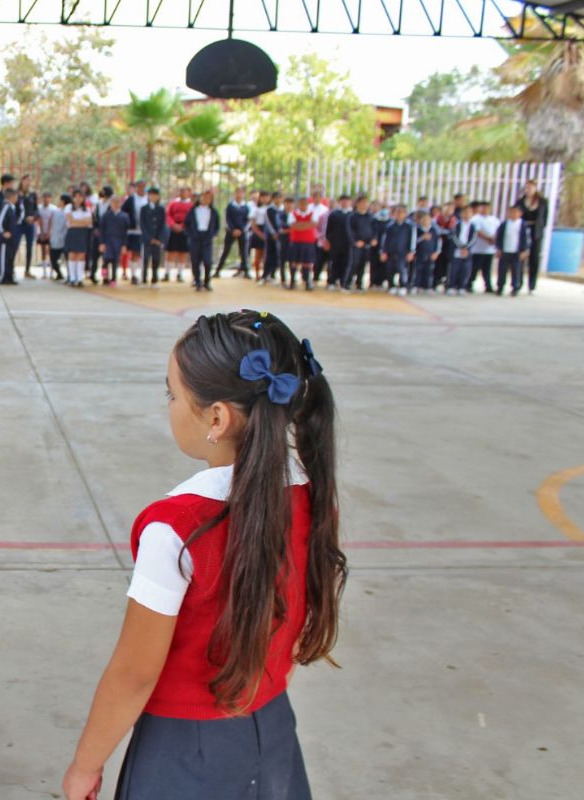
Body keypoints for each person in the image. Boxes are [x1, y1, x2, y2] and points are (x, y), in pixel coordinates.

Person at [61, 309, 346, 800]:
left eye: (172, 394)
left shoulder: (175, 528)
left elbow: (134, 674)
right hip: (273, 728)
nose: (168, 404)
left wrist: (85, 765)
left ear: (217, 417)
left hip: (184, 751)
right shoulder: (313, 495)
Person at [185, 189, 220, 292]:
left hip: (207, 238)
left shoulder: (213, 212)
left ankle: (207, 282)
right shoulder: (193, 210)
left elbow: (217, 225)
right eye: (204, 197)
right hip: (195, 237)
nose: (206, 200)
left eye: (209, 198)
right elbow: (187, 224)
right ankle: (197, 281)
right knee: (195, 261)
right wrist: (190, 234)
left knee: (207, 261)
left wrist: (213, 234)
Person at [495, 204, 531, 297]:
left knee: (516, 270)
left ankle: (515, 287)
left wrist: (525, 250)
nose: (513, 214)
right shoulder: (504, 224)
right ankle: (500, 287)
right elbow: (498, 237)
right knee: (502, 269)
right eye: (511, 212)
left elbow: (526, 239)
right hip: (505, 250)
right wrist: (498, 248)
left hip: (517, 252)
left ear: (520, 213)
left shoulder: (523, 225)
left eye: (515, 212)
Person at [520, 180, 549, 294]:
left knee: (534, 258)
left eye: (531, 187)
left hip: (536, 231)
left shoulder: (542, 202)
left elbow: (544, 218)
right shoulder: (521, 201)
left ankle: (532, 285)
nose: (529, 190)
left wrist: (539, 228)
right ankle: (518, 283)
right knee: (521, 257)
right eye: (527, 187)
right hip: (523, 230)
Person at [378, 205, 415, 295]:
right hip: (391, 251)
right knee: (390, 269)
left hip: (403, 252)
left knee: (402, 269)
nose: (399, 214)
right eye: (397, 212)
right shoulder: (390, 226)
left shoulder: (409, 226)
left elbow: (412, 239)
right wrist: (383, 251)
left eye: (402, 212)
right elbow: (384, 239)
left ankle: (403, 286)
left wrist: (411, 251)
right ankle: (392, 285)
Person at [216, 187, 250, 278]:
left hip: (242, 232)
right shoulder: (230, 206)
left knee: (244, 252)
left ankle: (246, 271)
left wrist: (241, 230)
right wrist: (232, 229)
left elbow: (248, 220)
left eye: (241, 193)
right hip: (231, 232)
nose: (239, 195)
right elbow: (227, 219)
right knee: (226, 251)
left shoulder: (246, 207)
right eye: (238, 192)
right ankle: (217, 270)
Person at [345, 195, 376, 292]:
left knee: (363, 264)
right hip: (356, 244)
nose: (365, 205)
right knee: (354, 263)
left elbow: (374, 230)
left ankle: (359, 283)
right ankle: (347, 283)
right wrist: (355, 241)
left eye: (366, 202)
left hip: (367, 244)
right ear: (357, 203)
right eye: (362, 202)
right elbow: (349, 231)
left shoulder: (370, 217)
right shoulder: (352, 216)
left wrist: (374, 239)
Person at [99, 194, 131, 287]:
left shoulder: (124, 216)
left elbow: (126, 232)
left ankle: (113, 278)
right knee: (105, 260)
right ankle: (104, 277)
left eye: (117, 202)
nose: (115, 204)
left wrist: (124, 244)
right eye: (113, 202)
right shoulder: (105, 215)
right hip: (107, 241)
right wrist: (102, 243)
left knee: (115, 261)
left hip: (118, 241)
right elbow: (102, 230)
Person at [287, 201, 319, 291]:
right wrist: (307, 225)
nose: (303, 205)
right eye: (301, 204)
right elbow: (292, 225)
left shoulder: (312, 213)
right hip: (296, 241)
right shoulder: (292, 213)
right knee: (294, 262)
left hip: (308, 242)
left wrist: (300, 224)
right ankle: (292, 281)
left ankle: (307, 281)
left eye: (304, 204)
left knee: (307, 262)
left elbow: (314, 224)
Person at [468, 200, 499, 294]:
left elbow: (499, 231)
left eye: (486, 207)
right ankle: (469, 284)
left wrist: (494, 239)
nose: (484, 209)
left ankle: (488, 286)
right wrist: (488, 238)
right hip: (477, 249)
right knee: (474, 268)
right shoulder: (475, 219)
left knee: (487, 269)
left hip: (489, 250)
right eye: (482, 207)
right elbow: (477, 231)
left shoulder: (494, 219)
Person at [446, 204, 478, 295]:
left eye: (469, 212)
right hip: (457, 250)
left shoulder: (473, 226)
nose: (467, 214)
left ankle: (462, 286)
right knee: (454, 269)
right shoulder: (456, 225)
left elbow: (473, 239)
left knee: (465, 269)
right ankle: (451, 286)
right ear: (461, 214)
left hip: (467, 251)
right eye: (465, 212)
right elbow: (454, 236)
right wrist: (461, 247)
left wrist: (466, 248)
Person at [164, 186, 193, 282]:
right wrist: (173, 225)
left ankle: (180, 274)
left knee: (183, 252)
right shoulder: (173, 203)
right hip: (174, 229)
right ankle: (167, 273)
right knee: (171, 251)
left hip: (185, 230)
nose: (182, 193)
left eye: (184, 191)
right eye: (181, 191)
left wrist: (183, 226)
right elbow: (168, 215)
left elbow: (191, 218)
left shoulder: (191, 205)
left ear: (188, 193)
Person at [139, 186, 167, 286]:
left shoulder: (161, 209)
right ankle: (144, 279)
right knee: (145, 259)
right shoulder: (144, 209)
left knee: (156, 259)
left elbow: (162, 225)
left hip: (157, 239)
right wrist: (149, 238)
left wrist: (159, 238)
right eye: (151, 195)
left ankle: (154, 279)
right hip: (147, 239)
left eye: (155, 195)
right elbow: (142, 224)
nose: (153, 197)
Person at [65, 190, 93, 287]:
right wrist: (81, 222)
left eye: (80, 196)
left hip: (83, 233)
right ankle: (72, 278)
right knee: (72, 254)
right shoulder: (68, 207)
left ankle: (79, 278)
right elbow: (70, 221)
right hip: (72, 233)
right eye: (75, 196)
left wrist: (77, 222)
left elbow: (89, 222)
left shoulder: (87, 209)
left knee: (81, 255)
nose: (78, 199)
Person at [323, 195, 352, 290]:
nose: (345, 203)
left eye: (347, 201)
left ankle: (343, 282)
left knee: (346, 262)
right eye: (343, 201)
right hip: (335, 243)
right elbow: (328, 229)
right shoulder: (334, 214)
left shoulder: (352, 214)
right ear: (340, 202)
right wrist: (328, 240)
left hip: (348, 244)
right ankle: (331, 281)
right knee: (334, 262)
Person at [122, 181, 147, 283]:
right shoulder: (131, 199)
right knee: (135, 252)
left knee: (144, 253)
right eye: (139, 187)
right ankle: (133, 274)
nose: (141, 189)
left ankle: (143, 274)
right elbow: (124, 212)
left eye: (143, 187)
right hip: (133, 230)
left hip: (145, 231)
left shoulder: (148, 199)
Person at [411, 211, 442, 294]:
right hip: (420, 253)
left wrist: (436, 252)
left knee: (429, 271)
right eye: (423, 219)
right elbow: (413, 241)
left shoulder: (434, 230)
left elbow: (438, 242)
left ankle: (428, 287)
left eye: (427, 219)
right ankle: (416, 286)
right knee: (418, 270)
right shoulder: (417, 230)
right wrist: (422, 238)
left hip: (431, 254)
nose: (425, 221)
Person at [0, 186, 20, 285]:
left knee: (10, 257)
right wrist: (3, 232)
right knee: (4, 258)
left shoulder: (12, 207)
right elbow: (0, 221)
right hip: (5, 240)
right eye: (16, 196)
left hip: (12, 239)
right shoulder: (6, 206)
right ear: (12, 196)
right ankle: (3, 277)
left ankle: (9, 276)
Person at [17, 175, 39, 279]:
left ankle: (27, 270)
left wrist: (33, 217)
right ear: (22, 180)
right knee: (15, 246)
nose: (28, 182)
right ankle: (10, 270)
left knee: (29, 247)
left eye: (30, 180)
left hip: (30, 224)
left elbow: (36, 209)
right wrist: (24, 217)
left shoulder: (33, 194)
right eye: (26, 180)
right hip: (19, 224)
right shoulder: (17, 193)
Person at [249, 190, 274, 282]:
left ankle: (267, 274)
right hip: (259, 230)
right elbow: (253, 223)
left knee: (268, 255)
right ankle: (257, 274)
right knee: (258, 255)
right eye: (262, 197)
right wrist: (260, 234)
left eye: (266, 197)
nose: (264, 199)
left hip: (269, 230)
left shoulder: (271, 209)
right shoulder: (256, 209)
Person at [46, 194, 69, 281]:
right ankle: (59, 273)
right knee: (53, 258)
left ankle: (70, 275)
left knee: (67, 259)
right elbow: (50, 222)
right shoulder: (55, 211)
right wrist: (49, 233)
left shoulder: (68, 211)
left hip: (65, 238)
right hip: (55, 237)